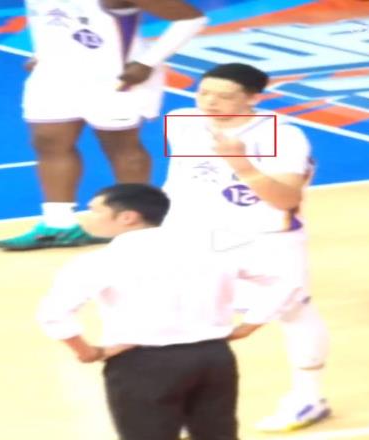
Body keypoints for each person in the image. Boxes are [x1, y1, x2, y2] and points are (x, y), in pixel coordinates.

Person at [37, 183, 286, 440]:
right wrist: (250, 325)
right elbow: (284, 280)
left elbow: (54, 314)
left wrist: (88, 352)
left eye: (96, 210)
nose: (88, 217)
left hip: (142, 364)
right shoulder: (213, 249)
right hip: (213, 358)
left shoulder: (97, 262)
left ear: (128, 217)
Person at [164, 63, 331, 433]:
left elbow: (286, 199)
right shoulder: (182, 120)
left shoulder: (282, 135)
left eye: (224, 96)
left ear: (254, 98)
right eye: (204, 92)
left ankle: (309, 397)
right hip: (194, 235)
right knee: (186, 312)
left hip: (263, 235)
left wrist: (242, 165)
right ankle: (183, 398)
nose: (210, 102)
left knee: (293, 311)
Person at [0, 0, 207, 250]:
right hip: (54, 75)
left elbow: (191, 18)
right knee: (48, 142)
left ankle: (138, 225)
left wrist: (148, 62)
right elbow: (53, 20)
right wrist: (44, 53)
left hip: (116, 78)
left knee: (121, 147)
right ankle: (59, 224)